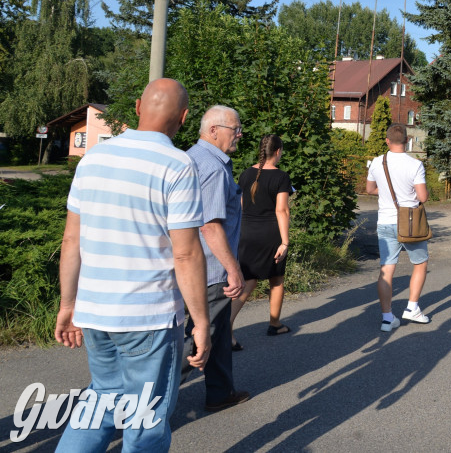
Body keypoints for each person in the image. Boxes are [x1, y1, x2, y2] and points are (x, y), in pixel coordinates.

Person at [54, 78, 210, 452]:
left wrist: (68, 304)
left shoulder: (92, 159)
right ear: (185, 118)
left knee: (102, 401)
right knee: (146, 421)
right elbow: (186, 253)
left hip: (95, 311)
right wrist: (202, 321)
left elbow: (71, 240)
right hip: (147, 317)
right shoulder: (178, 166)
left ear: (138, 107)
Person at [184, 105, 249, 412]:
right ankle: (148, 402)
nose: (239, 134)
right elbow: (210, 225)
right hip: (210, 268)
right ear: (213, 131)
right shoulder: (211, 167)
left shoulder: (197, 158)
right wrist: (232, 269)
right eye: (234, 129)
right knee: (200, 338)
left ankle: (221, 392)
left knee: (220, 331)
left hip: (199, 265)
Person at [365, 123, 430, 332]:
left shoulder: (376, 162)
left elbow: (369, 189)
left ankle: (387, 318)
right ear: (407, 140)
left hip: (385, 221)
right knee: (420, 263)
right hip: (410, 222)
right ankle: (412, 308)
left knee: (386, 269)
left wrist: (385, 192)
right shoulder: (415, 164)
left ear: (387, 140)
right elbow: (423, 197)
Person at [230, 134, 292, 343]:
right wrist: (285, 241)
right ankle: (274, 324)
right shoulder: (281, 177)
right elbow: (281, 210)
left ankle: (226, 328)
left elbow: (239, 207)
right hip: (270, 235)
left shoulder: (246, 174)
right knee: (276, 279)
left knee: (247, 281)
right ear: (277, 151)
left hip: (246, 232)